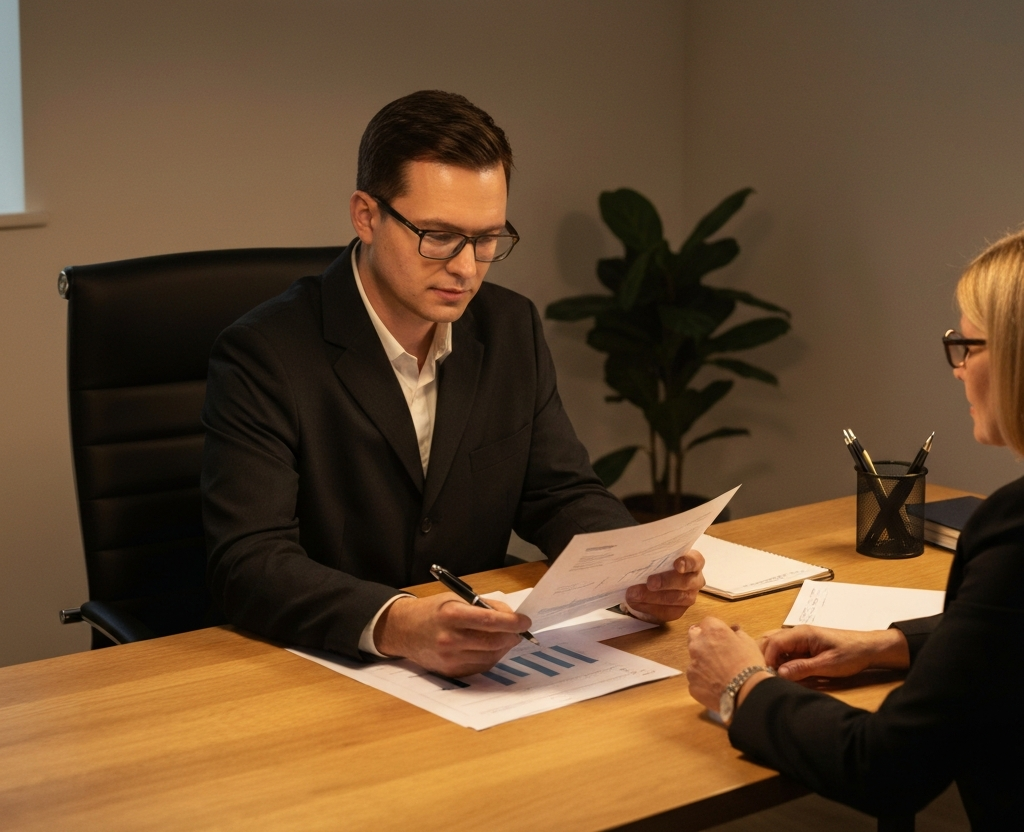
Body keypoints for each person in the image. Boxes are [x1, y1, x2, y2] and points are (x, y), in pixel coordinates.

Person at [202, 90, 706, 677]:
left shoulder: (509, 326)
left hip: (480, 659)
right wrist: (396, 621)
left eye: (488, 238)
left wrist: (633, 571)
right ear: (366, 215)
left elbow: (559, 492)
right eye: (439, 236)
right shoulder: (266, 353)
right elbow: (249, 559)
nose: (467, 268)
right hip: (320, 666)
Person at [686, 231, 1024, 829]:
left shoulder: (1015, 529)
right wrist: (895, 645)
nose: (959, 370)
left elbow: (887, 767)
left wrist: (740, 684)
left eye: (967, 345)